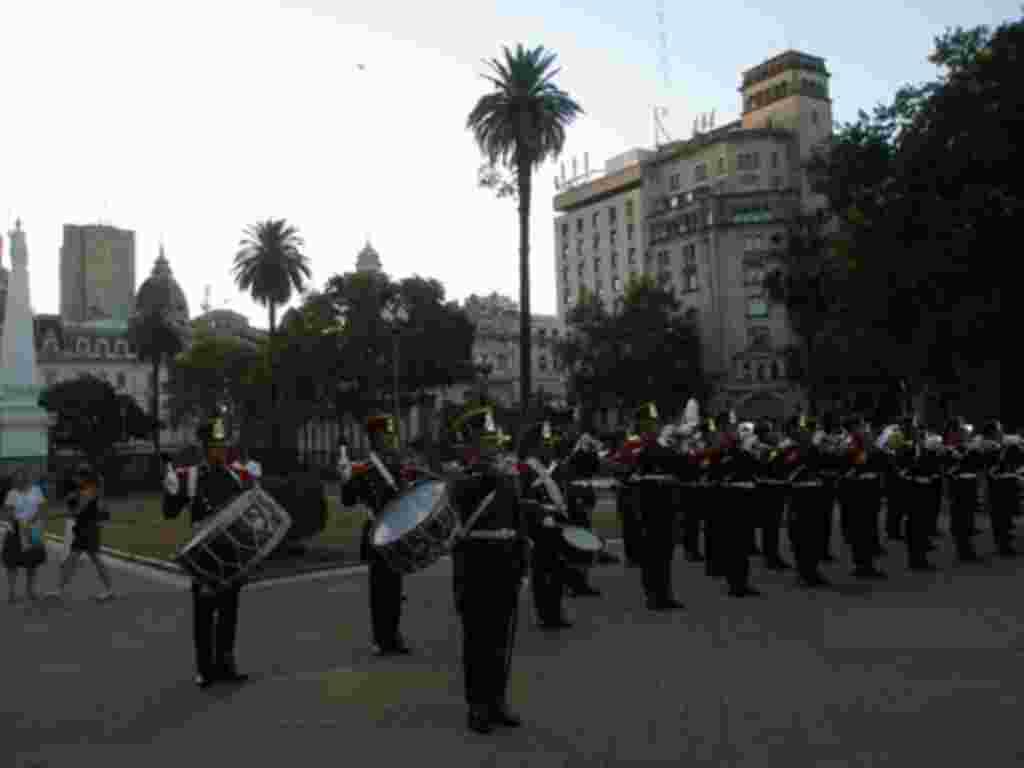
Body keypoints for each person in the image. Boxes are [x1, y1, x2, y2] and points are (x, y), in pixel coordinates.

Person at [449, 406, 528, 734]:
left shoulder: (506, 478)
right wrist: (492, 472)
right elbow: (465, 498)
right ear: (470, 445)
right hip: (476, 565)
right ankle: (477, 706)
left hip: (505, 563)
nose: (493, 446)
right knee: (477, 639)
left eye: (494, 440)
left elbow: (518, 522)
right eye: (485, 440)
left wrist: (522, 564)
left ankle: (498, 701)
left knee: (502, 637)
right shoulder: (461, 479)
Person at [163, 417, 249, 689]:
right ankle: (204, 668)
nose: (220, 451)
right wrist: (170, 493)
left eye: (223, 445)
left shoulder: (236, 475)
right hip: (204, 555)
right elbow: (170, 513)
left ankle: (226, 663)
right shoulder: (190, 477)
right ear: (203, 447)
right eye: (214, 445)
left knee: (229, 611)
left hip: (231, 553)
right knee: (204, 614)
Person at [338, 414, 425, 655]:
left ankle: (394, 634)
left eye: (390, 436)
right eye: (384, 436)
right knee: (379, 588)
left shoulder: (397, 465)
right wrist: (346, 479)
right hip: (376, 531)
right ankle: (381, 638)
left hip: (396, 531)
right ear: (374, 439)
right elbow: (348, 501)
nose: (389, 440)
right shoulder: (364, 469)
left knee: (395, 586)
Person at [614, 403, 684, 611]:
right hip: (647, 503)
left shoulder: (659, 443)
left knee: (665, 551)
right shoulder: (636, 444)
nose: (654, 425)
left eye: (655, 421)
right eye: (650, 421)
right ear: (641, 423)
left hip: (665, 502)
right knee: (652, 551)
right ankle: (654, 595)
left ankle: (665, 592)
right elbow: (628, 466)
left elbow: (675, 465)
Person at [518, 418, 572, 629]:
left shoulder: (556, 468)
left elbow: (563, 495)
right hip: (538, 526)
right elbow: (521, 499)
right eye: (544, 443)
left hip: (556, 523)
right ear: (533, 445)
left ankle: (556, 611)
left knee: (558, 569)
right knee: (542, 571)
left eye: (550, 443)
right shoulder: (525, 468)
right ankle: (545, 614)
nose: (549, 446)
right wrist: (539, 513)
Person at [50, 465, 116, 601]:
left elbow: (79, 510)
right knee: (73, 559)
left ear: (84, 477)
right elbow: (75, 505)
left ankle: (109, 590)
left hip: (89, 529)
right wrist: (71, 500)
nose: (75, 479)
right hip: (82, 529)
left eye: (78, 476)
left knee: (91, 560)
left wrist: (66, 509)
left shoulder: (90, 490)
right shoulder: (83, 490)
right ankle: (58, 590)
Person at [2, 468, 48, 604]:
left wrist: (33, 522)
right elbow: (8, 513)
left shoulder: (36, 491)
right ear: (15, 480)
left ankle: (30, 591)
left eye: (22, 477)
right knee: (12, 563)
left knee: (32, 562)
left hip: (33, 528)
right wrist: (18, 521)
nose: (20, 480)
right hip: (16, 530)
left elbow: (41, 509)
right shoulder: (12, 493)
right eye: (17, 478)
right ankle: (11, 593)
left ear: (27, 477)